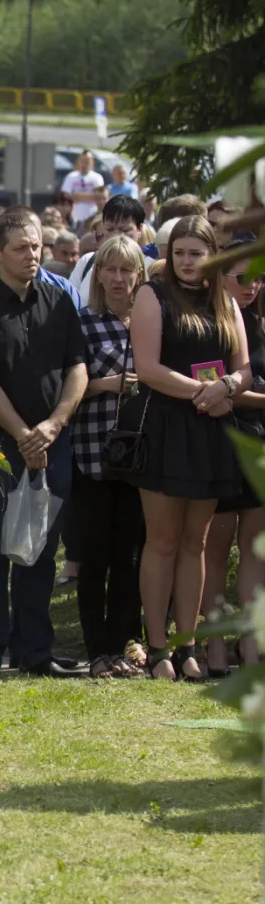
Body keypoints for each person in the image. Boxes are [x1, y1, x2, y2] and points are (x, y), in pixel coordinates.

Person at [0, 211, 88, 675]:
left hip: (51, 441)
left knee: (40, 549)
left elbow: (78, 366)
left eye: (35, 246)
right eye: (20, 247)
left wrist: (53, 426)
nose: (32, 255)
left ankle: (34, 651)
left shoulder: (59, 296)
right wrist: (21, 433)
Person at [130, 215, 249, 681]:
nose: (185, 261)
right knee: (161, 540)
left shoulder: (225, 300)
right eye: (178, 252)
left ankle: (188, 647)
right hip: (166, 426)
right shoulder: (151, 294)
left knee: (195, 543)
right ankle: (158, 649)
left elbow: (243, 368)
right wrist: (206, 392)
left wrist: (228, 387)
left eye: (195, 253)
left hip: (210, 429)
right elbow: (149, 368)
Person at [70, 236, 148, 679]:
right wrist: (104, 385)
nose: (118, 279)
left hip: (141, 458)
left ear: (139, 275)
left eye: (127, 270)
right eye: (110, 269)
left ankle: (123, 645)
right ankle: (96, 650)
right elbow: (65, 388)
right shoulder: (81, 322)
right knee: (94, 556)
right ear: (98, 273)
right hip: (92, 454)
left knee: (130, 556)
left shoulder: (149, 321)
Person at [204, 247, 265, 675]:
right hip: (220, 443)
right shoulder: (212, 325)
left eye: (259, 279)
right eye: (243, 278)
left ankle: (249, 641)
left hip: (259, 443)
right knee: (214, 550)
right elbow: (211, 385)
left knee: (254, 551)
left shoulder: (259, 324)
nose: (252, 287)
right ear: (222, 277)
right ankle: (214, 646)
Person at [69, 195, 151, 302]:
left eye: (125, 230)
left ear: (139, 229)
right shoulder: (88, 261)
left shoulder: (151, 266)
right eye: (110, 229)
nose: (116, 236)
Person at [62, 151, 106, 229]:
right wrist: (90, 196)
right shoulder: (71, 177)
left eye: (87, 161)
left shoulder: (97, 177)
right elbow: (65, 197)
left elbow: (99, 196)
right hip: (75, 217)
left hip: (92, 216)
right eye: (82, 161)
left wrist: (76, 196)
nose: (84, 164)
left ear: (92, 162)